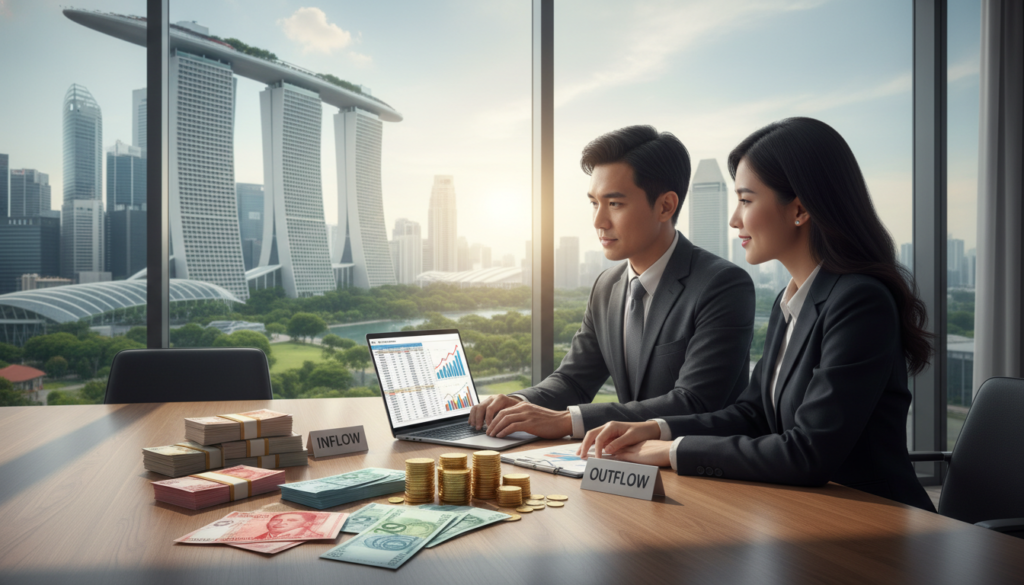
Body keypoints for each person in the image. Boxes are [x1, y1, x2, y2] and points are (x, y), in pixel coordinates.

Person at [578, 117, 935, 511]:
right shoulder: (792, 300)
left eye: (746, 201)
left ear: (799, 208)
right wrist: (654, 428)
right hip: (805, 516)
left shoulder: (860, 302)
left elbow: (808, 452)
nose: (735, 219)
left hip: (876, 520)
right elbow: (754, 414)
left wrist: (669, 451)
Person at [469, 125, 755, 440]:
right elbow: (573, 381)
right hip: (623, 461)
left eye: (614, 204)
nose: (598, 222)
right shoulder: (607, 286)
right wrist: (518, 402)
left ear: (665, 206)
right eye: (594, 203)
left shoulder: (722, 285)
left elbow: (693, 402)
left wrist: (567, 421)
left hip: (697, 463)